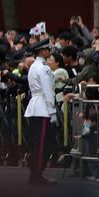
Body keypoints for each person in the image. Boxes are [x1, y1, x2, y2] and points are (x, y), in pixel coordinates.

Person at [25, 42, 58, 185]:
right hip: (42, 107)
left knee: (36, 142)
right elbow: (47, 90)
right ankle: (37, 174)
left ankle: (35, 172)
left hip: (35, 105)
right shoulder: (44, 68)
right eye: (47, 50)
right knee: (41, 143)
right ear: (42, 51)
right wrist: (52, 111)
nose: (49, 52)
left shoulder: (33, 66)